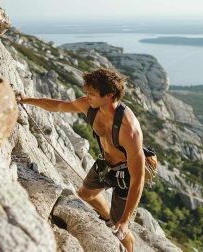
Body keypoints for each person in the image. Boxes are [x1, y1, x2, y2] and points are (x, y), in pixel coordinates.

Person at [18, 68, 145, 252]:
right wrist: (26, 99)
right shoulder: (89, 105)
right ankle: (110, 218)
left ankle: (126, 240)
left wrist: (125, 221)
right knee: (85, 194)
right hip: (105, 162)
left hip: (124, 174)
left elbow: (137, 180)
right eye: (87, 92)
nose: (87, 97)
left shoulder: (129, 130)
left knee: (121, 230)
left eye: (92, 94)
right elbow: (59, 106)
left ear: (109, 95)